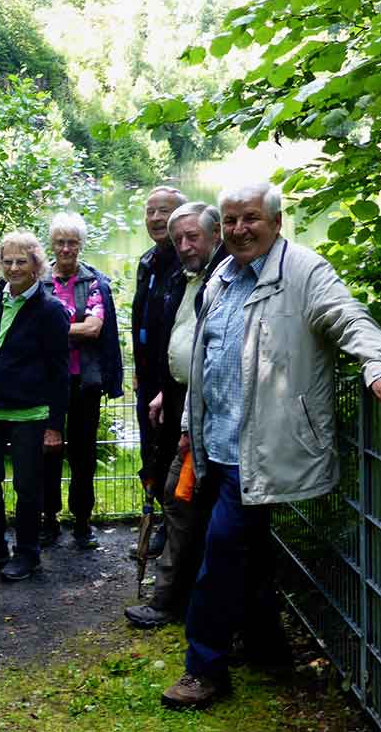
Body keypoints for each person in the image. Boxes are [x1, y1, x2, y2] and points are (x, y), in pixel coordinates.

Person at [161, 183, 381, 710]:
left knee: (219, 557)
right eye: (229, 221)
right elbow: (205, 368)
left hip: (259, 451)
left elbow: (348, 318)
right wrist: (190, 424)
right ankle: (269, 650)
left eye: (250, 218)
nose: (238, 230)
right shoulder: (221, 278)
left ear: (277, 222)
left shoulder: (303, 272)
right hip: (216, 447)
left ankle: (203, 669)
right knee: (246, 556)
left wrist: (379, 366)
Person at [125, 202, 226, 629]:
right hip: (180, 398)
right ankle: (180, 600)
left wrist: (187, 415)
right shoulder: (181, 277)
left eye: (193, 237)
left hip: (208, 410)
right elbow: (182, 341)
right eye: (178, 238)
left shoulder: (226, 277)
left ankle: (173, 602)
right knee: (182, 501)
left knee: (181, 498)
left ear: (215, 234)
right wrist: (168, 394)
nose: (184, 246)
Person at [0, 232, 69, 581]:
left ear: (36, 265)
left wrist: (55, 425)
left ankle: (27, 553)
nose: (13, 267)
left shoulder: (51, 310)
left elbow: (59, 371)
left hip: (30, 413)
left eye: (21, 261)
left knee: (27, 486)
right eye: (7, 261)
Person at [39, 212, 123, 550]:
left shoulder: (94, 282)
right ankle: (49, 518)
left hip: (85, 382)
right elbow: (36, 330)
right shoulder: (39, 281)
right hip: (47, 383)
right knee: (48, 450)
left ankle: (83, 520)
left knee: (84, 455)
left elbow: (94, 328)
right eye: (60, 242)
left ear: (81, 245)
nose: (66, 248)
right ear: (52, 244)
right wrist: (70, 330)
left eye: (72, 242)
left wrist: (53, 331)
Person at [132, 187, 186, 520]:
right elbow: (142, 321)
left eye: (163, 211)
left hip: (175, 381)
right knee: (148, 450)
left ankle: (171, 525)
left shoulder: (187, 263)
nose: (155, 218)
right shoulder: (147, 261)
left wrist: (168, 386)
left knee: (171, 450)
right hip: (148, 377)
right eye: (150, 211)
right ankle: (152, 518)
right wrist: (139, 371)